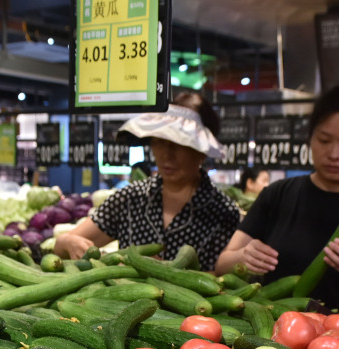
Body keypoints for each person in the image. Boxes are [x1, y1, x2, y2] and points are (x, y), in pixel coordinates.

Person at [216, 85, 339, 317]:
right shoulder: (276, 195)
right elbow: (222, 264)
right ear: (310, 137)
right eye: (324, 140)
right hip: (274, 333)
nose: (334, 154)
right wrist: (242, 257)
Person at [53, 91, 241, 271]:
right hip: (126, 303)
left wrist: (162, 273)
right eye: (159, 141)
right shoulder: (130, 198)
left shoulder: (223, 213)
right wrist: (68, 242)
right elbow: (62, 246)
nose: (167, 154)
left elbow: (219, 280)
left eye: (179, 144)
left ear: (202, 151)